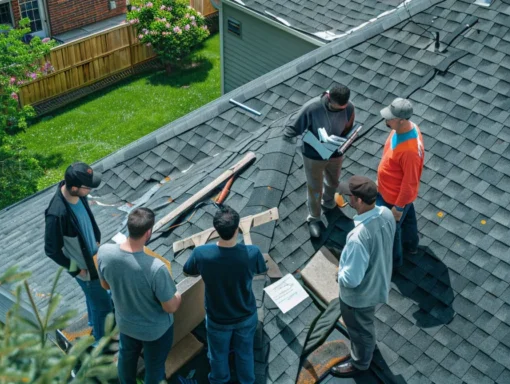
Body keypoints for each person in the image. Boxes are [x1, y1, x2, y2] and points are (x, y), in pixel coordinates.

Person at [183, 206, 267, 384]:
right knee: (245, 353)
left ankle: (219, 380)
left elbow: (188, 272)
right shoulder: (252, 253)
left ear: (216, 230)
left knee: (217, 355)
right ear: (237, 229)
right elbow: (261, 270)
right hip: (245, 315)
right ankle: (247, 381)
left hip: (218, 319)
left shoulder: (201, 253)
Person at [98, 208, 181, 384]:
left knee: (126, 360)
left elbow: (105, 285)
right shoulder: (155, 268)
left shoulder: (105, 252)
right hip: (155, 332)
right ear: (148, 232)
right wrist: (178, 294)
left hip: (126, 324)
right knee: (154, 368)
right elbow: (170, 307)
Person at [330, 176, 395, 378]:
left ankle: (360, 364)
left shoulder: (358, 237)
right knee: (366, 326)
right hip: (378, 283)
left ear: (358, 200)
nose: (345, 198)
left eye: (348, 195)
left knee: (359, 330)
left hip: (358, 298)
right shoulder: (386, 214)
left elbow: (351, 279)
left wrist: (339, 273)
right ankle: (368, 345)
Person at [43, 162, 112, 345]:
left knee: (94, 299)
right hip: (85, 269)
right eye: (87, 187)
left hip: (94, 259)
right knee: (104, 306)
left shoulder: (78, 195)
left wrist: (96, 237)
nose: (90, 190)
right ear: (74, 188)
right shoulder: (57, 214)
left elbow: (87, 218)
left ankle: (92, 323)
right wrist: (77, 271)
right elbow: (51, 250)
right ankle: (100, 342)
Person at [283, 83, 356, 238]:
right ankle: (314, 218)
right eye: (337, 108)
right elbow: (291, 131)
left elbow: (348, 129)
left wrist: (340, 142)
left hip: (335, 153)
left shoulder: (348, 108)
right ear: (329, 99)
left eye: (342, 108)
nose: (340, 110)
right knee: (315, 187)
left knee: (333, 181)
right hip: (313, 156)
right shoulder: (312, 108)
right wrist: (309, 141)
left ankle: (328, 203)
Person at [376, 97, 424, 267]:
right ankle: (411, 245)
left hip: (394, 197)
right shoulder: (405, 129)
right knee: (408, 219)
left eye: (390, 118)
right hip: (394, 192)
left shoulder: (410, 152)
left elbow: (409, 181)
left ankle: (393, 263)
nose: (386, 119)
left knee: (391, 231)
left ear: (402, 120)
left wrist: (398, 207)